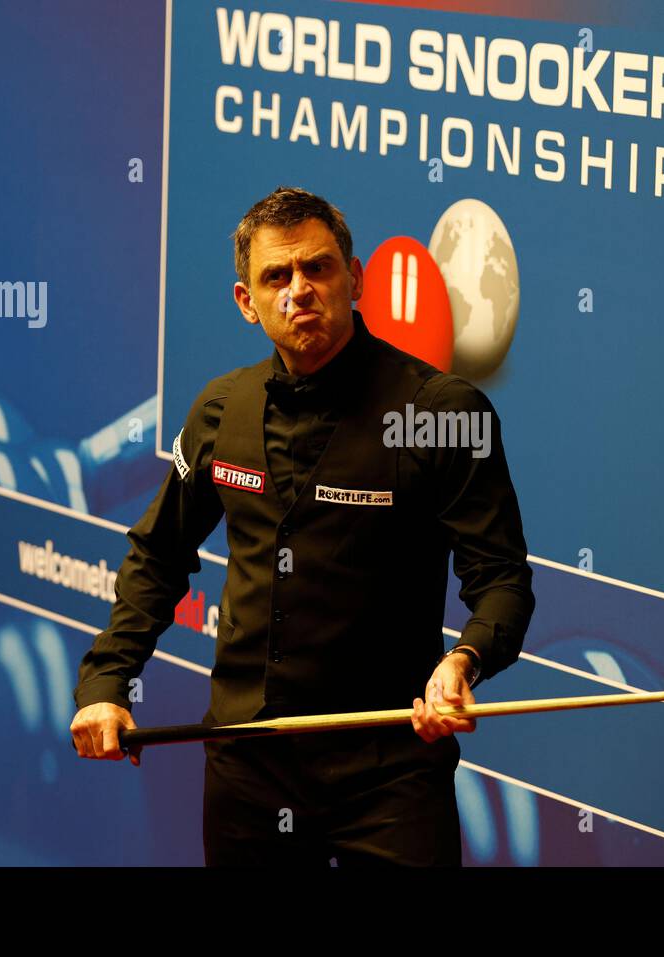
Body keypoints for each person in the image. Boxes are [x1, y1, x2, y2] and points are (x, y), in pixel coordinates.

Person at [70, 186, 535, 865]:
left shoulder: (442, 413)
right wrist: (107, 682)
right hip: (247, 769)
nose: (300, 289)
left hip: (391, 776)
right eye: (276, 276)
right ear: (246, 301)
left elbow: (502, 582)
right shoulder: (219, 411)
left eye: (318, 268)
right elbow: (157, 554)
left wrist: (461, 661)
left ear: (356, 279)